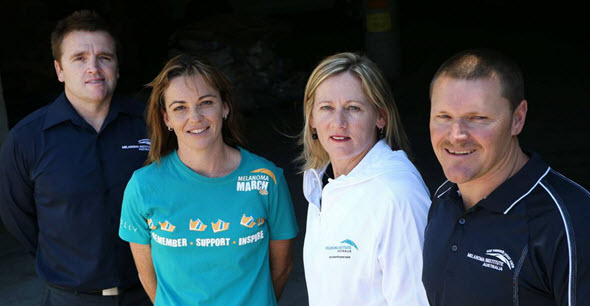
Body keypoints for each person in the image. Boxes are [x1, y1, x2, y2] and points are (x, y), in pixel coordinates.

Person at [118, 53, 299, 305]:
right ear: (166, 118)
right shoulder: (143, 186)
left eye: (205, 102)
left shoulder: (266, 178)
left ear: (224, 106)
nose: (195, 117)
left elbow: (282, 269)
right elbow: (148, 278)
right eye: (180, 107)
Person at [0, 10, 151, 305]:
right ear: (59, 70)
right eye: (79, 58)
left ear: (117, 68)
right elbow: (17, 216)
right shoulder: (26, 139)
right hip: (72, 298)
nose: (93, 67)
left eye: (104, 57)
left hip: (149, 293)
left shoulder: (148, 124)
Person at [422, 48, 590, 306]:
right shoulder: (444, 197)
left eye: (477, 118)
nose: (456, 134)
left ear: (517, 119)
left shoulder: (572, 219)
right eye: (443, 117)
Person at [299, 52, 430, 305]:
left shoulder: (397, 195)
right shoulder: (321, 184)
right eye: (326, 108)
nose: (339, 122)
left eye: (353, 108)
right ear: (312, 118)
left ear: (380, 116)